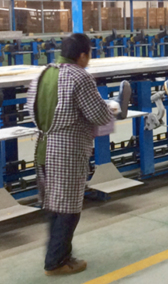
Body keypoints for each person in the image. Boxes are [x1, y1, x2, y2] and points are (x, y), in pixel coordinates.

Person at [27, 33, 121, 276]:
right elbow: (98, 115)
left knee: (52, 204)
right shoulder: (80, 76)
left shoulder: (43, 73)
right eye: (89, 54)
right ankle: (57, 261)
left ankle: (57, 254)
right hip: (67, 150)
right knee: (68, 207)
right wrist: (111, 108)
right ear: (82, 55)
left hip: (43, 146)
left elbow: (31, 108)